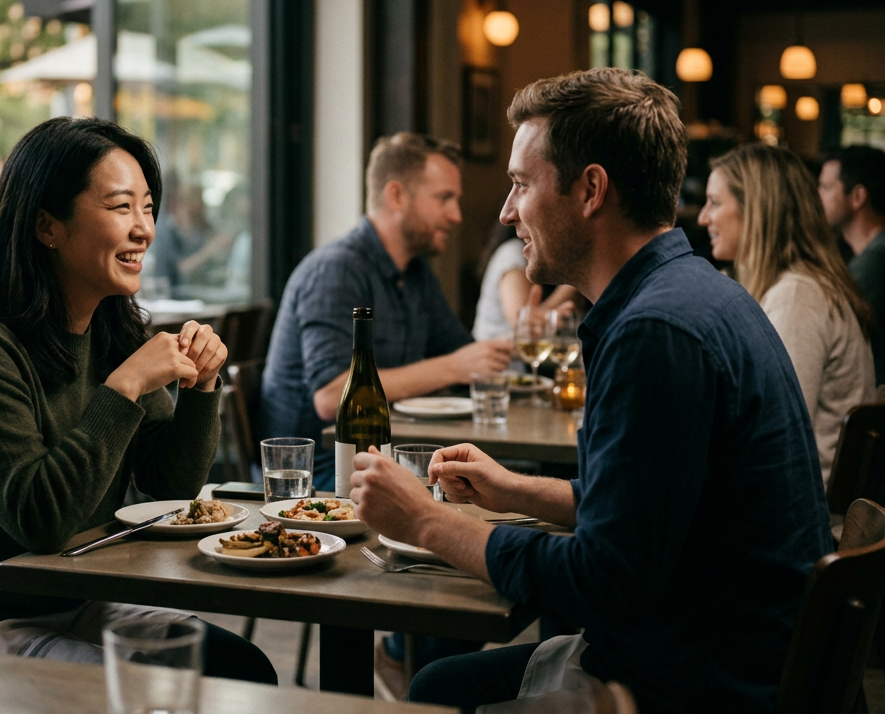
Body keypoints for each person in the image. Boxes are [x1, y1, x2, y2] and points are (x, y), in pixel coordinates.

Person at [349, 68, 831, 714]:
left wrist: (424, 521)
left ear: (591, 189)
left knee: (435, 695)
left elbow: (602, 582)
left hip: (697, 684)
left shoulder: (657, 332)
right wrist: (515, 489)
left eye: (521, 184)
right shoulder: (698, 294)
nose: (505, 211)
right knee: (436, 684)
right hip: (724, 648)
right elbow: (647, 509)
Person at [0, 118, 276, 683]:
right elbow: (41, 521)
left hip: (63, 598)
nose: (144, 230)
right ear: (47, 226)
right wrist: (126, 388)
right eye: (120, 207)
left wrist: (201, 388)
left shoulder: (112, 328)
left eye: (148, 207)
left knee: (240, 669)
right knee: (160, 689)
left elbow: (169, 485)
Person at [262, 132, 512, 491]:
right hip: (322, 477)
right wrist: (457, 366)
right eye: (445, 198)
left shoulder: (416, 272)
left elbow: (460, 353)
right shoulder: (335, 270)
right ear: (396, 195)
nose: (456, 215)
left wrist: (482, 358)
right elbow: (330, 396)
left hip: (388, 458)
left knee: (490, 483)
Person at [701, 144, 875, 485]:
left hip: (800, 525)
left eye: (715, 202)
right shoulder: (789, 288)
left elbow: (771, 438)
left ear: (757, 210)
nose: (704, 216)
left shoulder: (798, 297)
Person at [819, 145, 885, 386]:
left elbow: (826, 327)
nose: (817, 197)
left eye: (826, 187)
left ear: (858, 196)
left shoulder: (876, 260)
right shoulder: (865, 253)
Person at [471, 222, 575, 341]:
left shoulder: (551, 259)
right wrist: (576, 278)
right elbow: (525, 330)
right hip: (498, 357)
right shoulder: (512, 254)